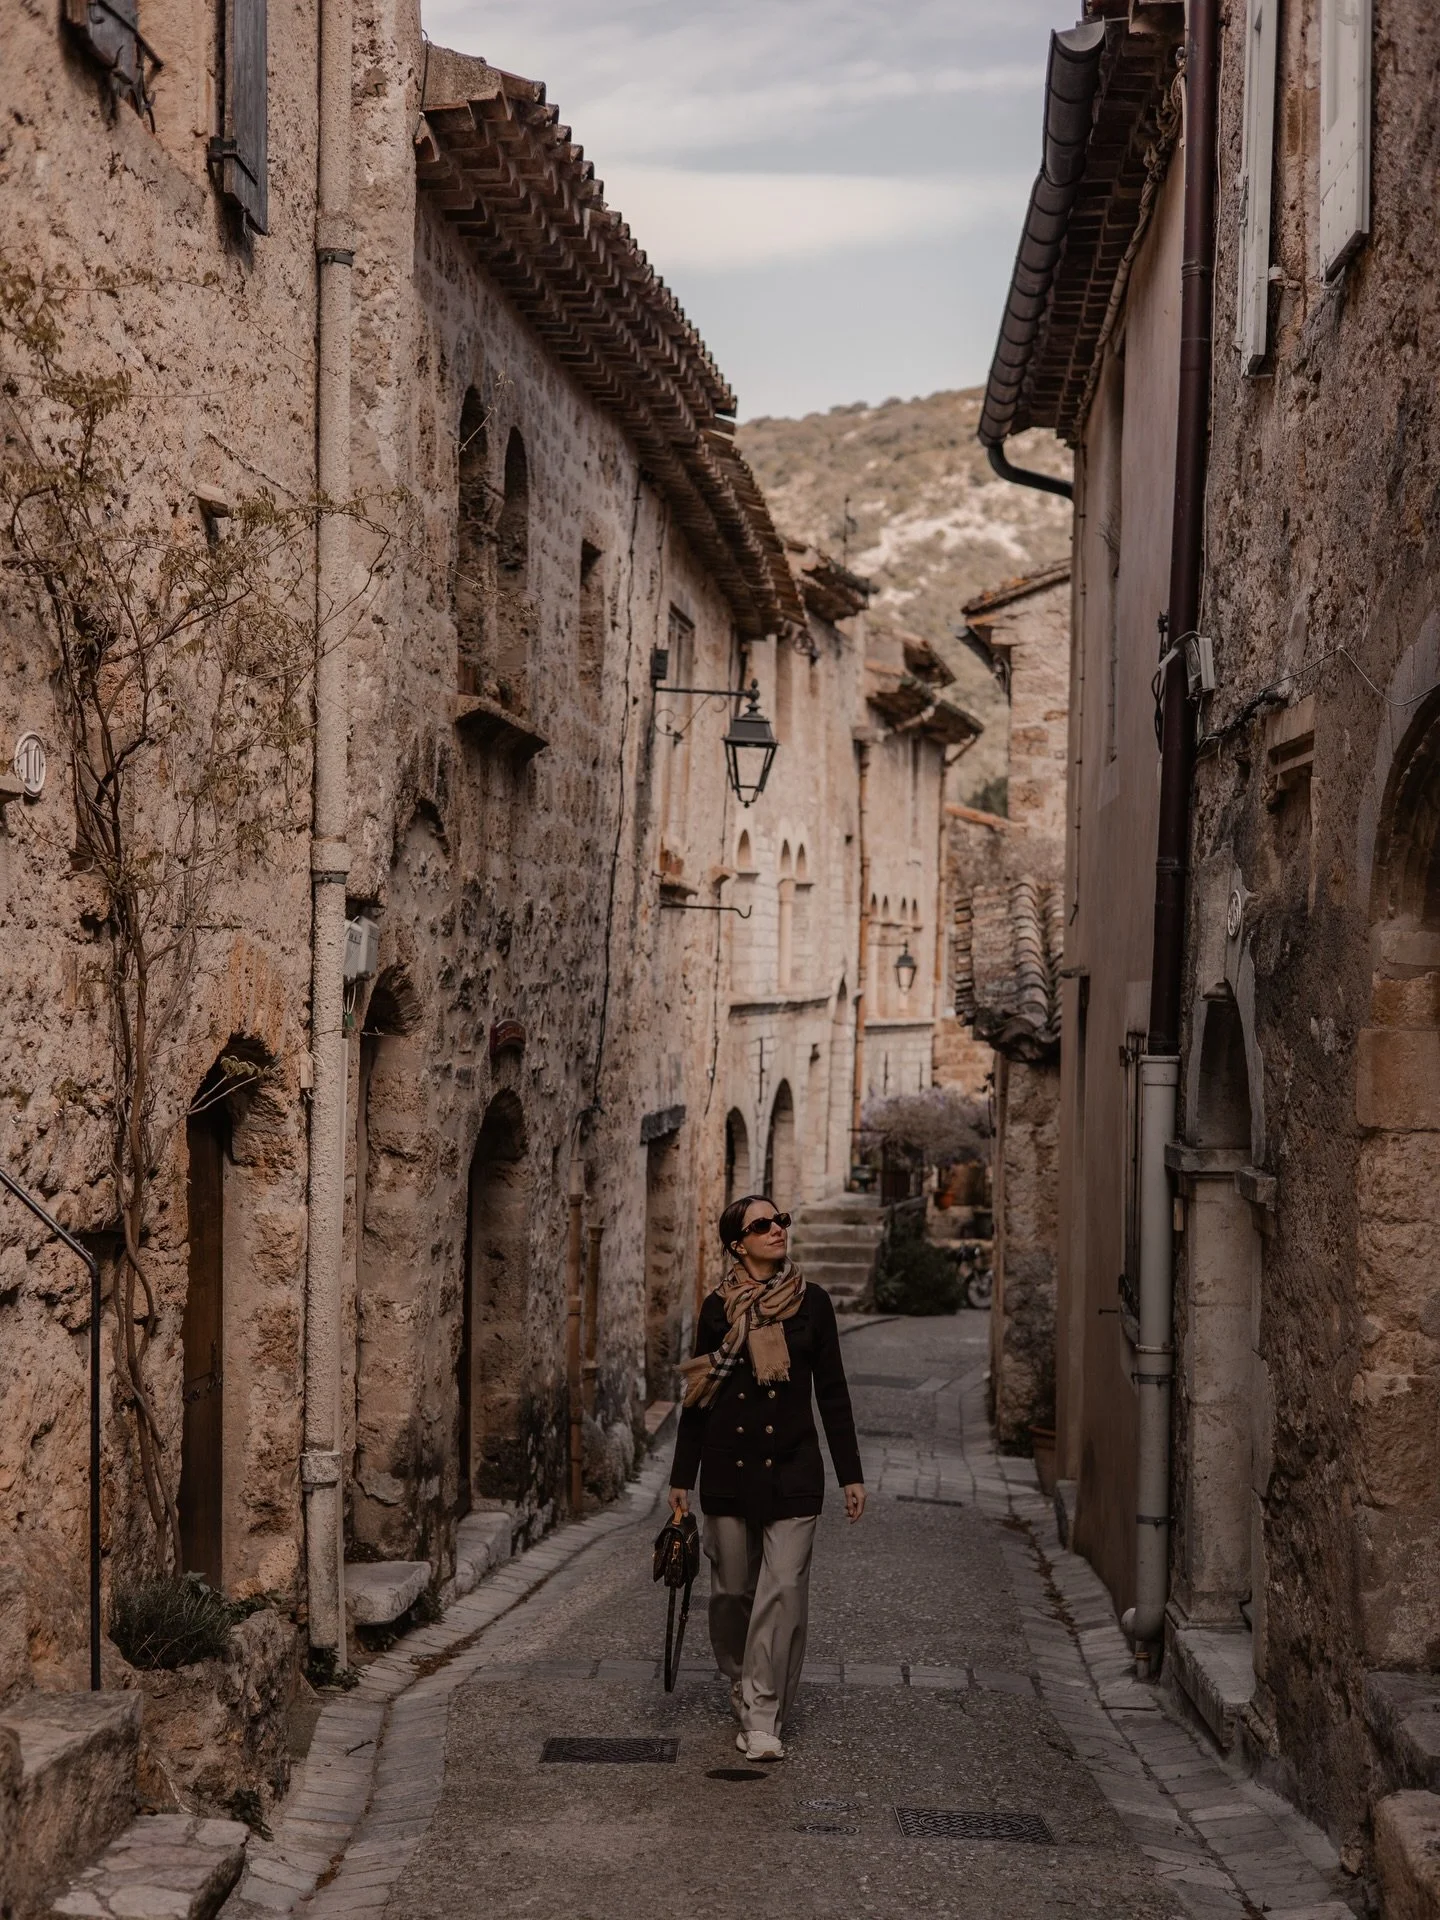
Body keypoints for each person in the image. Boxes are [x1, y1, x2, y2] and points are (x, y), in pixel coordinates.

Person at [668, 1192, 865, 1763]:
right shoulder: (716, 1308)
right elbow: (698, 1396)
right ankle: (742, 1677)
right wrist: (683, 1475)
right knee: (731, 1593)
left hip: (795, 1469)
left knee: (782, 1592)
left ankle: (762, 1711)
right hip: (727, 1468)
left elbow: (832, 1393)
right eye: (763, 1224)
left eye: (781, 1220)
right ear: (738, 1243)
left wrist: (850, 1473)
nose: (778, 1229)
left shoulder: (814, 1304)